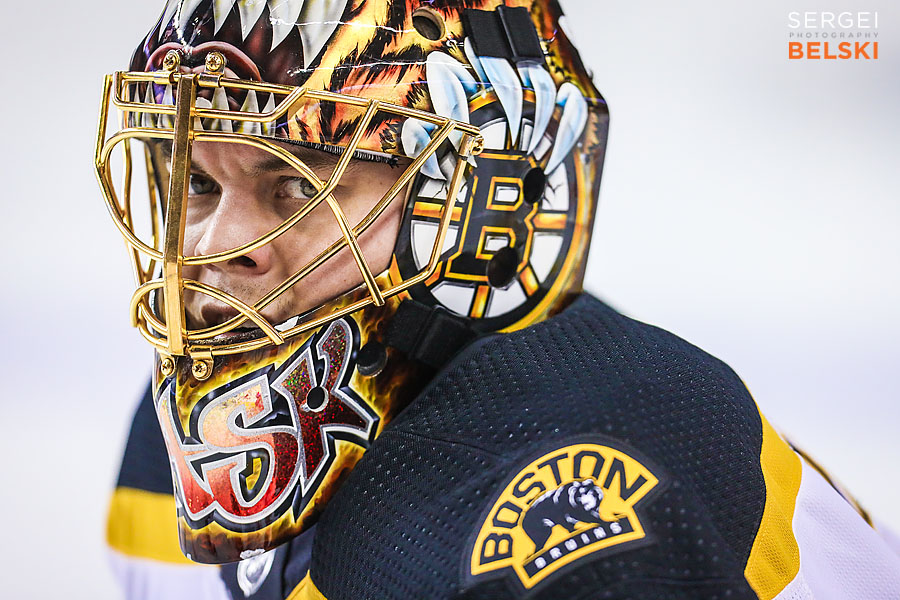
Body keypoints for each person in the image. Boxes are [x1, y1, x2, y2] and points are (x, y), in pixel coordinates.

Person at [97, 1, 900, 599]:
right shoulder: (185, 440)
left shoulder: (588, 485)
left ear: (482, 207)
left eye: (295, 186)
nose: (207, 248)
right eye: (198, 181)